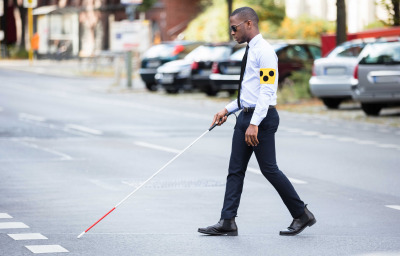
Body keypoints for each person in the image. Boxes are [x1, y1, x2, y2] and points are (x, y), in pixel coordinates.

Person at [198, 7, 316, 236]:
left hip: (260, 119)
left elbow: (267, 91)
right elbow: (249, 93)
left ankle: (301, 214)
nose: (232, 32)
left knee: (269, 170)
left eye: (234, 27)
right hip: (245, 116)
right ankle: (227, 221)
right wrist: (227, 109)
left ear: (249, 24)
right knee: (235, 171)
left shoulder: (265, 52)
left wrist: (255, 123)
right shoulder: (250, 50)